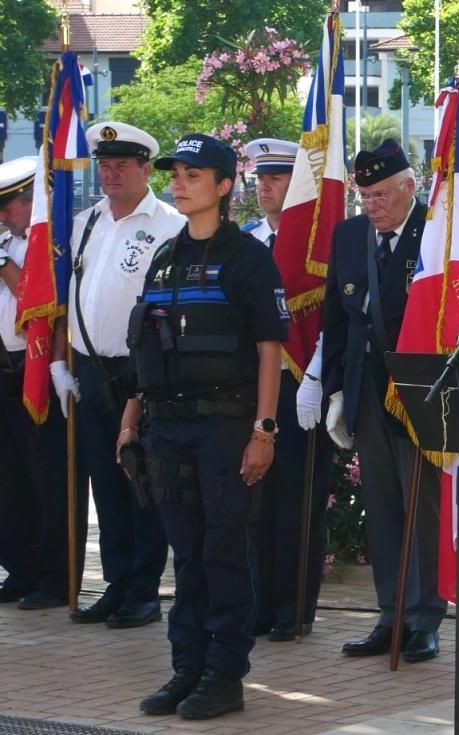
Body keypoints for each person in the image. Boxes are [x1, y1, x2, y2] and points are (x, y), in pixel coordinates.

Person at [119, 133, 288, 719]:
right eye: (176, 174)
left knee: (222, 550)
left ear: (223, 187)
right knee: (185, 554)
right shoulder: (165, 256)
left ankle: (224, 675)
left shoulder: (247, 257)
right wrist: (131, 419)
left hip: (225, 427)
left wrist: (264, 430)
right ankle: (186, 669)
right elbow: (149, 347)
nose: (179, 182)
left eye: (194, 175)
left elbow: (270, 348)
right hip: (166, 428)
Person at [322, 138, 444, 663]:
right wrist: (331, 391)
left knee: (423, 510)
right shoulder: (350, 236)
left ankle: (424, 619)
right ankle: (389, 616)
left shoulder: (437, 236)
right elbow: (335, 319)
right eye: (364, 196)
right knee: (383, 509)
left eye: (380, 195)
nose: (371, 205)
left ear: (409, 187)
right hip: (366, 390)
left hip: (418, 392)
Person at [57, 122, 183, 628]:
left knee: (140, 477)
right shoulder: (86, 222)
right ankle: (116, 582)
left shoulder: (169, 225)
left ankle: (145, 589)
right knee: (105, 482)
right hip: (89, 366)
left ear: (145, 170)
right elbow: (70, 292)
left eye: (121, 166)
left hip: (140, 370)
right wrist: (58, 362)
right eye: (104, 166)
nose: (110, 175)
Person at [242, 137, 332, 641]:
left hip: (301, 388)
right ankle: (257, 603)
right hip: (255, 389)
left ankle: (293, 608)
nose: (266, 188)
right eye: (261, 179)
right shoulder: (248, 242)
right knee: (254, 502)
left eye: (277, 178)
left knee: (297, 503)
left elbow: (329, 321)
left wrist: (318, 377)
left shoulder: (318, 248)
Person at [0, 156, 70, 610]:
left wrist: (3, 264)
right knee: (10, 482)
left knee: (46, 477)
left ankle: (54, 574)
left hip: (36, 368)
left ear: (35, 201)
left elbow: (36, 310)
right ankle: (20, 567)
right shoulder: (8, 242)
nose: (4, 215)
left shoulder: (46, 247)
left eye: (11, 205)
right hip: (3, 369)